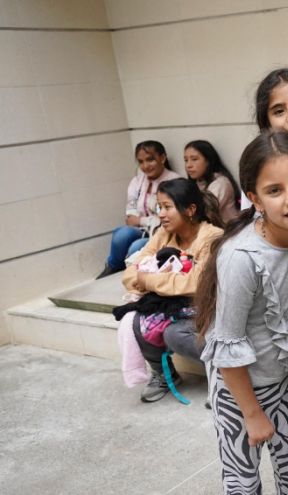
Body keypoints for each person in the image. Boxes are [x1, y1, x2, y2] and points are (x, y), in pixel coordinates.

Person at [195, 131, 288, 495]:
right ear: (255, 199)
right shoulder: (242, 258)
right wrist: (251, 414)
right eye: (275, 190)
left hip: (282, 383)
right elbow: (226, 344)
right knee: (243, 482)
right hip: (239, 393)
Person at [120, 178, 224, 402]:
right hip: (175, 307)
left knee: (174, 333)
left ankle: (224, 376)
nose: (161, 214)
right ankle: (164, 375)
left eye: (167, 207)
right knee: (134, 320)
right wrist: (156, 280)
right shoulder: (163, 235)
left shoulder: (212, 237)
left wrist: (149, 280)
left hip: (209, 313)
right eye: (159, 207)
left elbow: (196, 285)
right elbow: (130, 275)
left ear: (190, 209)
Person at [99, 141, 182, 279]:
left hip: (162, 231)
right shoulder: (137, 181)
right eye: (141, 162)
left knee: (135, 247)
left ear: (162, 158)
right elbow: (130, 216)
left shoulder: (175, 182)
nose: (145, 166)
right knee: (121, 234)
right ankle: (113, 267)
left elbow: (169, 217)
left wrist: (140, 220)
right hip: (144, 230)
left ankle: (135, 276)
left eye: (150, 160)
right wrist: (142, 221)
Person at [184, 140, 241, 224]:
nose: (189, 165)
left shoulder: (221, 183)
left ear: (208, 161)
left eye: (194, 159)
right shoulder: (194, 183)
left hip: (225, 233)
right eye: (186, 160)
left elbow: (202, 213)